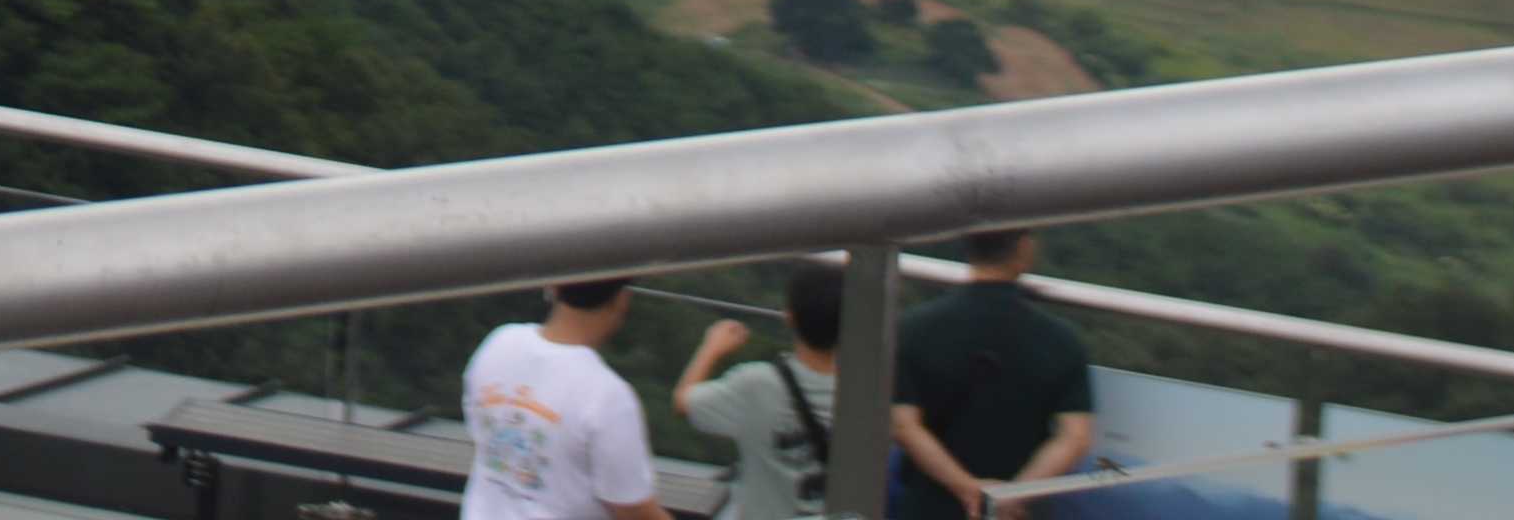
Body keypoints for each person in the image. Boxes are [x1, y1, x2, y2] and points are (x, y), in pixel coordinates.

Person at [886, 230, 1096, 520]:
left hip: (930, 507)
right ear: (1025, 249)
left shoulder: (912, 329)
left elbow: (903, 425)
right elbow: (1075, 437)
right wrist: (1011, 496)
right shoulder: (1061, 339)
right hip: (1019, 514)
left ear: (970, 247)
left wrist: (966, 488)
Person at [465, 280, 664, 520]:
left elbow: (481, 440)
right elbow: (635, 512)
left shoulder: (499, 343)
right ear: (622, 299)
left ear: (554, 286)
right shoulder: (608, 395)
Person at [672, 262, 848, 520]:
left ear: (790, 319)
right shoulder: (864, 397)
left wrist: (711, 349)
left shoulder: (755, 385)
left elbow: (684, 402)